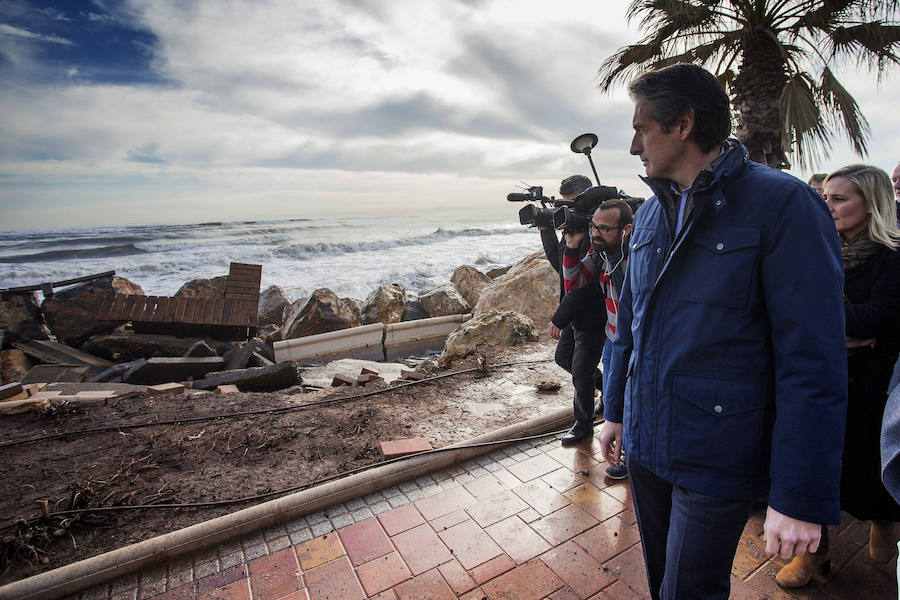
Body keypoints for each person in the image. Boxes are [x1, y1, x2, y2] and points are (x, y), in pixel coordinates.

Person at [597, 63, 847, 600]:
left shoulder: (783, 205)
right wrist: (615, 410)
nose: (634, 144)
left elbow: (813, 360)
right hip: (645, 445)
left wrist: (800, 495)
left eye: (642, 128)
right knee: (663, 579)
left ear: (683, 124)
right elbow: (629, 329)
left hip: (718, 450)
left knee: (691, 589)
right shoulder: (647, 217)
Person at [778, 164, 900, 587]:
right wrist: (844, 333)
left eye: (839, 198)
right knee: (812, 461)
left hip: (873, 381)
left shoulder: (892, 254)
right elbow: (790, 307)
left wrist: (836, 325)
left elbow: (882, 315)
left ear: (871, 203)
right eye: (824, 197)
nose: (827, 206)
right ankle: (814, 553)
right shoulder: (814, 247)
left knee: (867, 459)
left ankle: (884, 519)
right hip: (817, 374)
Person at [548, 200, 633, 447]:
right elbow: (574, 284)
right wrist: (572, 248)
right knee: (613, 390)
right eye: (594, 227)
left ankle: (629, 454)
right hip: (614, 336)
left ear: (625, 230)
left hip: (632, 338)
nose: (596, 233)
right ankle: (619, 446)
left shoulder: (636, 257)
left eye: (604, 229)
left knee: (629, 394)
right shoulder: (601, 254)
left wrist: (561, 316)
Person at [538, 175, 597, 386]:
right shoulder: (576, 225)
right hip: (575, 310)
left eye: (573, 203)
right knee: (566, 359)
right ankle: (611, 393)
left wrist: (559, 317)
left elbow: (584, 284)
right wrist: (546, 230)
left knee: (579, 366)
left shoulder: (594, 230)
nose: (571, 211)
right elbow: (560, 265)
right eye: (567, 204)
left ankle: (609, 399)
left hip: (590, 312)